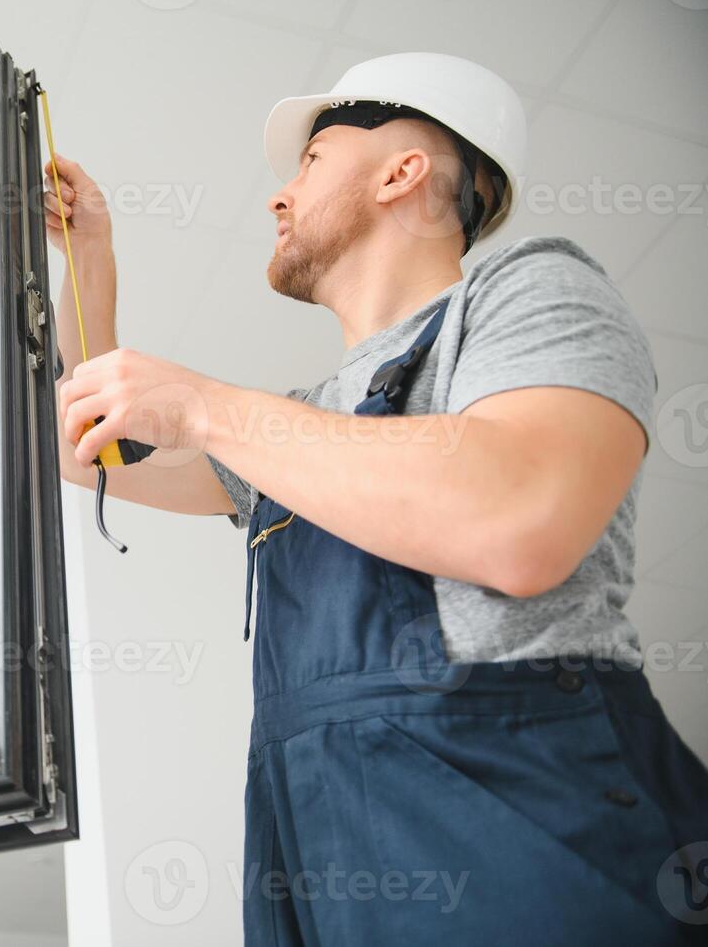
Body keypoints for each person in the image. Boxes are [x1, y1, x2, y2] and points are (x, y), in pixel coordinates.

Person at [47, 52, 707, 944]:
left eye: (309, 163)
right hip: (311, 840)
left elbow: (520, 519)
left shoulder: (531, 290)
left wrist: (206, 407)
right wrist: (90, 260)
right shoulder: (297, 424)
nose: (277, 198)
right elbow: (85, 455)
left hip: (527, 817)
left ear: (402, 173)